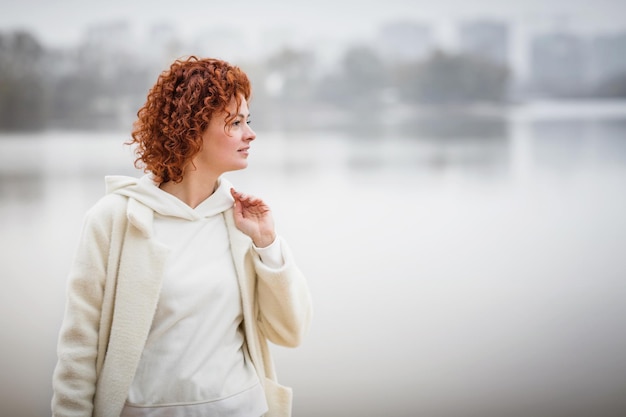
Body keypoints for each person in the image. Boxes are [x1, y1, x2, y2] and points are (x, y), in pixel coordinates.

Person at [51, 56, 313, 417]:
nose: (250, 134)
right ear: (193, 130)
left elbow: (291, 332)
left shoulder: (242, 221)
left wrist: (267, 244)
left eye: (247, 121)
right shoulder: (113, 219)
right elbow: (78, 352)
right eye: (235, 123)